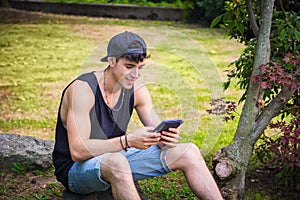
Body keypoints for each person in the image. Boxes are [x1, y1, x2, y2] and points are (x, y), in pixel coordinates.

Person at [52, 31, 223, 200]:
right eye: (129, 67)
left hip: (115, 158)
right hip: (75, 170)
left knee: (189, 151)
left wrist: (166, 138)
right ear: (111, 61)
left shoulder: (137, 90)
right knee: (117, 163)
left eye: (140, 68)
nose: (135, 75)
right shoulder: (83, 90)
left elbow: (156, 128)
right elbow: (78, 151)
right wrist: (128, 141)